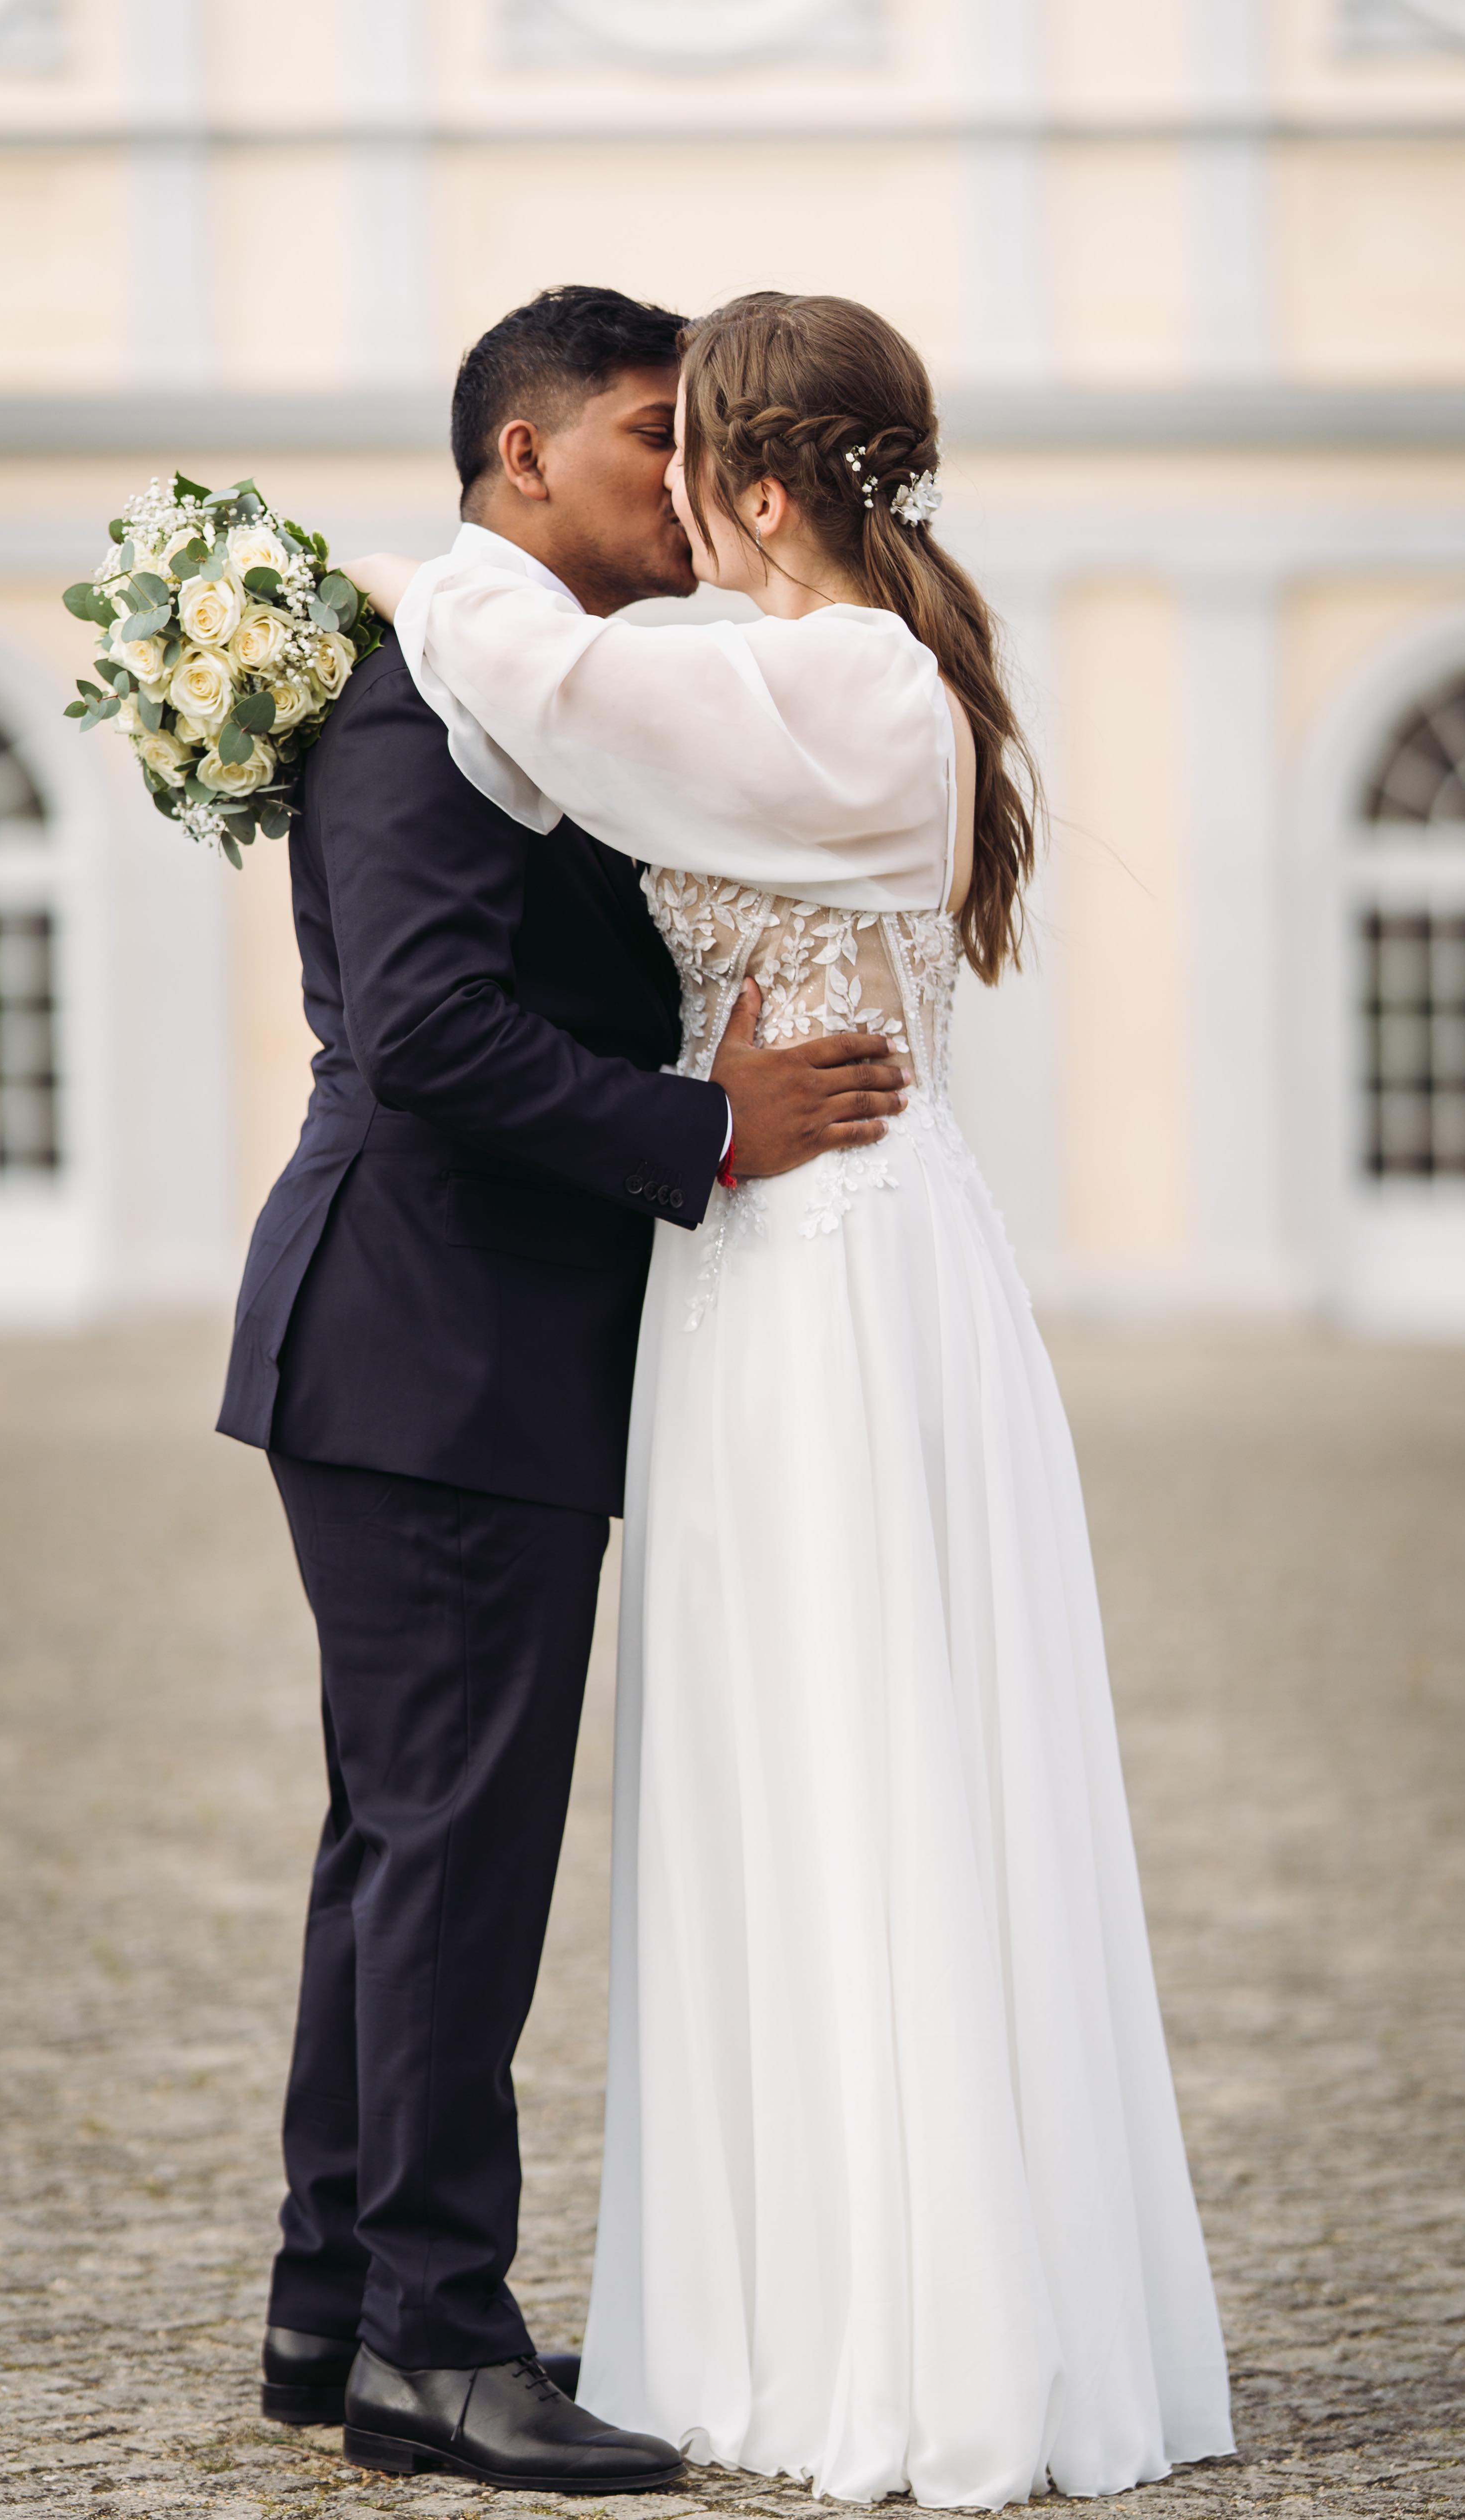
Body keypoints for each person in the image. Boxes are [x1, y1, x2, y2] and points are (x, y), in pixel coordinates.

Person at [352, 289, 1238, 2510]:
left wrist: (364, 572)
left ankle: (898, 2344)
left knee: (859, 1764)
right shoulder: (823, 678)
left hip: (826, 1274)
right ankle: (787, 2310)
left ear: (753, 490)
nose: (655, 504)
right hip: (784, 1262)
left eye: (681, 468)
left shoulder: (827, 683)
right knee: (786, 1766)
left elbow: (535, 677)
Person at [216, 285, 910, 2491]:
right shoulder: (434, 694)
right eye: (642, 434)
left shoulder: (554, 698)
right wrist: (702, 1128)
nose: (679, 475)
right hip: (435, 1341)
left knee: (395, 1847)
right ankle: (437, 2339)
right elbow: (423, 1030)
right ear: (522, 460)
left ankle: (336, 2307)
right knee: (453, 1855)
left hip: (439, 1342)